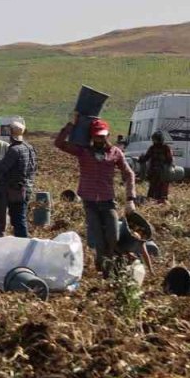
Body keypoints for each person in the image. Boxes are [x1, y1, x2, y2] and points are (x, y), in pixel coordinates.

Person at [55, 114, 136, 276]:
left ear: (108, 135)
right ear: (92, 136)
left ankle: (114, 261)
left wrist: (130, 199)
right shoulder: (84, 152)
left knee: (113, 234)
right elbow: (59, 143)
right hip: (90, 201)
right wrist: (70, 124)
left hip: (108, 200)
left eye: (103, 136)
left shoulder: (115, 152)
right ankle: (103, 269)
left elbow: (129, 173)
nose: (100, 139)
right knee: (98, 238)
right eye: (97, 136)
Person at [138, 131, 174, 203]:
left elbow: (170, 160)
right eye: (154, 139)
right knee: (152, 188)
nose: (154, 141)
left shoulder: (166, 148)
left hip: (163, 172)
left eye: (155, 139)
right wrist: (141, 159)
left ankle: (162, 202)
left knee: (162, 189)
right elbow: (146, 157)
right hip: (153, 172)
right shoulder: (152, 148)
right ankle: (151, 201)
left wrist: (165, 167)